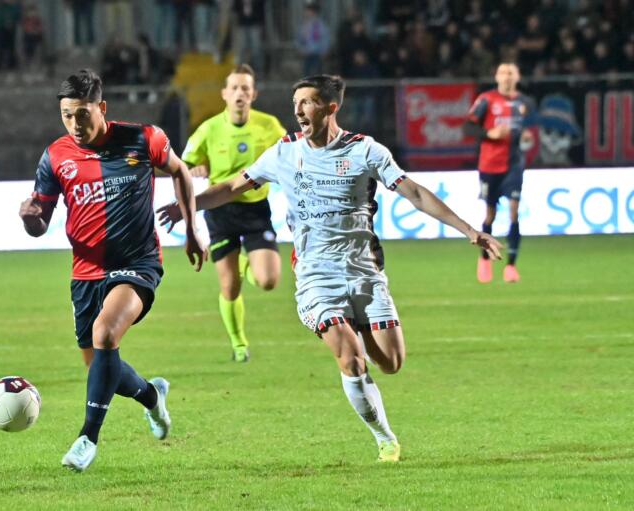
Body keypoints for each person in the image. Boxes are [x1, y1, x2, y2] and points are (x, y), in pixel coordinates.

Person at [158, 75, 502, 462]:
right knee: (350, 356)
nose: (297, 110)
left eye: (306, 102)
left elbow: (416, 193)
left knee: (390, 363)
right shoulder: (284, 152)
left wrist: (471, 231)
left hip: (363, 270)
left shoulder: (365, 151)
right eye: (296, 102)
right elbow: (233, 187)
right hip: (315, 275)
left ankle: (359, 337)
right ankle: (384, 437)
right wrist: (189, 205)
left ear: (330, 107)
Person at [18, 69, 206, 472]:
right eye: (67, 115)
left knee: (105, 335)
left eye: (82, 115)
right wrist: (29, 218)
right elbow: (40, 222)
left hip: (137, 265)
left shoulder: (144, 139)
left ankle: (88, 438)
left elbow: (181, 171)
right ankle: (152, 398)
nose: (75, 125)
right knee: (100, 365)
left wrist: (192, 231)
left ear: (101, 108)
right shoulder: (56, 156)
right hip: (85, 273)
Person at [181, 63, 286, 362]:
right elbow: (183, 166)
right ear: (225, 94)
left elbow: (290, 155)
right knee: (229, 286)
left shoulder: (270, 126)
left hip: (256, 209)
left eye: (246, 88)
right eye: (235, 88)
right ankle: (239, 345)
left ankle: (245, 263)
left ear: (254, 94)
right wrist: (196, 168)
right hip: (220, 208)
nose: (240, 93)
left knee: (268, 281)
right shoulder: (209, 128)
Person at [464, 62, 534, 284]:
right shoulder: (486, 100)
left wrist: (527, 138)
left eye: (511, 72)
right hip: (489, 165)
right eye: (503, 72)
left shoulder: (525, 103)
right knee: (490, 215)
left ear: (518, 76)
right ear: (496, 76)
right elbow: (468, 128)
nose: (507, 77)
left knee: (514, 212)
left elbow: (527, 131)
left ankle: (511, 266)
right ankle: (485, 258)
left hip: (514, 165)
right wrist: (489, 133)